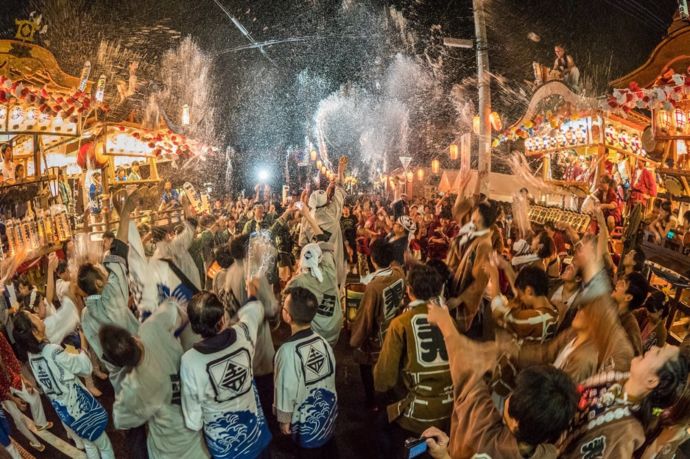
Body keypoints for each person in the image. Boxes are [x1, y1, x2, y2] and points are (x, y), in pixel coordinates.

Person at [424, 300, 579, 459]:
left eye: (513, 396)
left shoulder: (485, 435)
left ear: (515, 423)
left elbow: (468, 377)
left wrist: (445, 324)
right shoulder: (550, 454)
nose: (510, 396)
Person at [99, 300, 209, 459]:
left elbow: (121, 419)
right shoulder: (150, 328)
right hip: (198, 436)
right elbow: (175, 309)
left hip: (169, 450)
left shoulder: (133, 388)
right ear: (133, 338)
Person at [180, 287, 272, 459]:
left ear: (194, 327)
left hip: (225, 448)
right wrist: (251, 292)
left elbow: (193, 420)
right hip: (256, 436)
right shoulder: (243, 333)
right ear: (223, 319)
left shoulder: (190, 361)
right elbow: (255, 309)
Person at [12, 310, 115, 459]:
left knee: (89, 443)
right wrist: (83, 343)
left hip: (66, 411)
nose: (37, 315)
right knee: (104, 446)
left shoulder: (32, 355)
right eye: (33, 316)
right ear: (33, 331)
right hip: (80, 408)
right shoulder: (52, 351)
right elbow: (85, 368)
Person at [374, 264, 453, 453]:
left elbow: (383, 379)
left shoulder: (401, 323)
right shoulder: (449, 320)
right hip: (450, 410)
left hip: (416, 414)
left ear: (409, 291)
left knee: (380, 426)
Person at [560, 344, 689, 458]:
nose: (653, 347)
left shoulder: (625, 434)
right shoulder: (618, 380)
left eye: (658, 352)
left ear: (651, 381)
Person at [78, 190, 140, 392]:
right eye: (100, 271)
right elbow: (120, 251)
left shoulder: (85, 315)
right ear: (97, 283)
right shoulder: (111, 292)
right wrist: (126, 212)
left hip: (119, 380)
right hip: (140, 364)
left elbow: (101, 353)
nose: (105, 271)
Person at [274, 287, 338, 457]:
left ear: (287, 316)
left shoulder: (287, 351)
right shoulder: (323, 342)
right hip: (327, 417)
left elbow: (285, 389)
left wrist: (284, 419)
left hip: (305, 423)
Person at [349, 239, 405, 409]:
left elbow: (365, 318)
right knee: (391, 361)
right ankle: (390, 394)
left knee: (365, 362)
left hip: (376, 336)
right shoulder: (399, 274)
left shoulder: (373, 287)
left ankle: (372, 401)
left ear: (372, 259)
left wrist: (354, 339)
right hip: (393, 327)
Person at [446, 201, 496, 335]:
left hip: (469, 305)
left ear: (478, 216)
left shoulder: (485, 245)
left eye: (474, 211)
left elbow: (480, 282)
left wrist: (459, 300)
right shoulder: (477, 237)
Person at [299, 156, 349, 288]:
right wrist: (340, 169)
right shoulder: (333, 213)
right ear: (327, 200)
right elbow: (341, 188)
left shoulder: (307, 218)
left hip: (314, 265)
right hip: (332, 263)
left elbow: (302, 243)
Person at [0, 332, 52, 452]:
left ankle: (40, 423)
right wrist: (14, 400)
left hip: (12, 377)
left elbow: (11, 357)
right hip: (2, 392)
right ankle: (34, 442)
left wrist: (23, 378)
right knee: (18, 418)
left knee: (34, 395)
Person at [286, 240, 343, 347]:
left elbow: (286, 292)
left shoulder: (299, 280)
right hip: (334, 330)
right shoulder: (329, 270)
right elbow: (328, 247)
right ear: (319, 258)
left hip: (317, 335)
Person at [487, 265, 559, 343]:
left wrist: (494, 276)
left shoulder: (537, 319)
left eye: (521, 295)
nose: (520, 299)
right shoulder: (553, 310)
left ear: (529, 291)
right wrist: (505, 265)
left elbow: (501, 315)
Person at [613, 271, 648, 356]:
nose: (617, 283)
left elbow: (635, 358)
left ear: (628, 297)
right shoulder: (609, 310)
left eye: (622, 284)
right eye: (620, 281)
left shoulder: (630, 328)